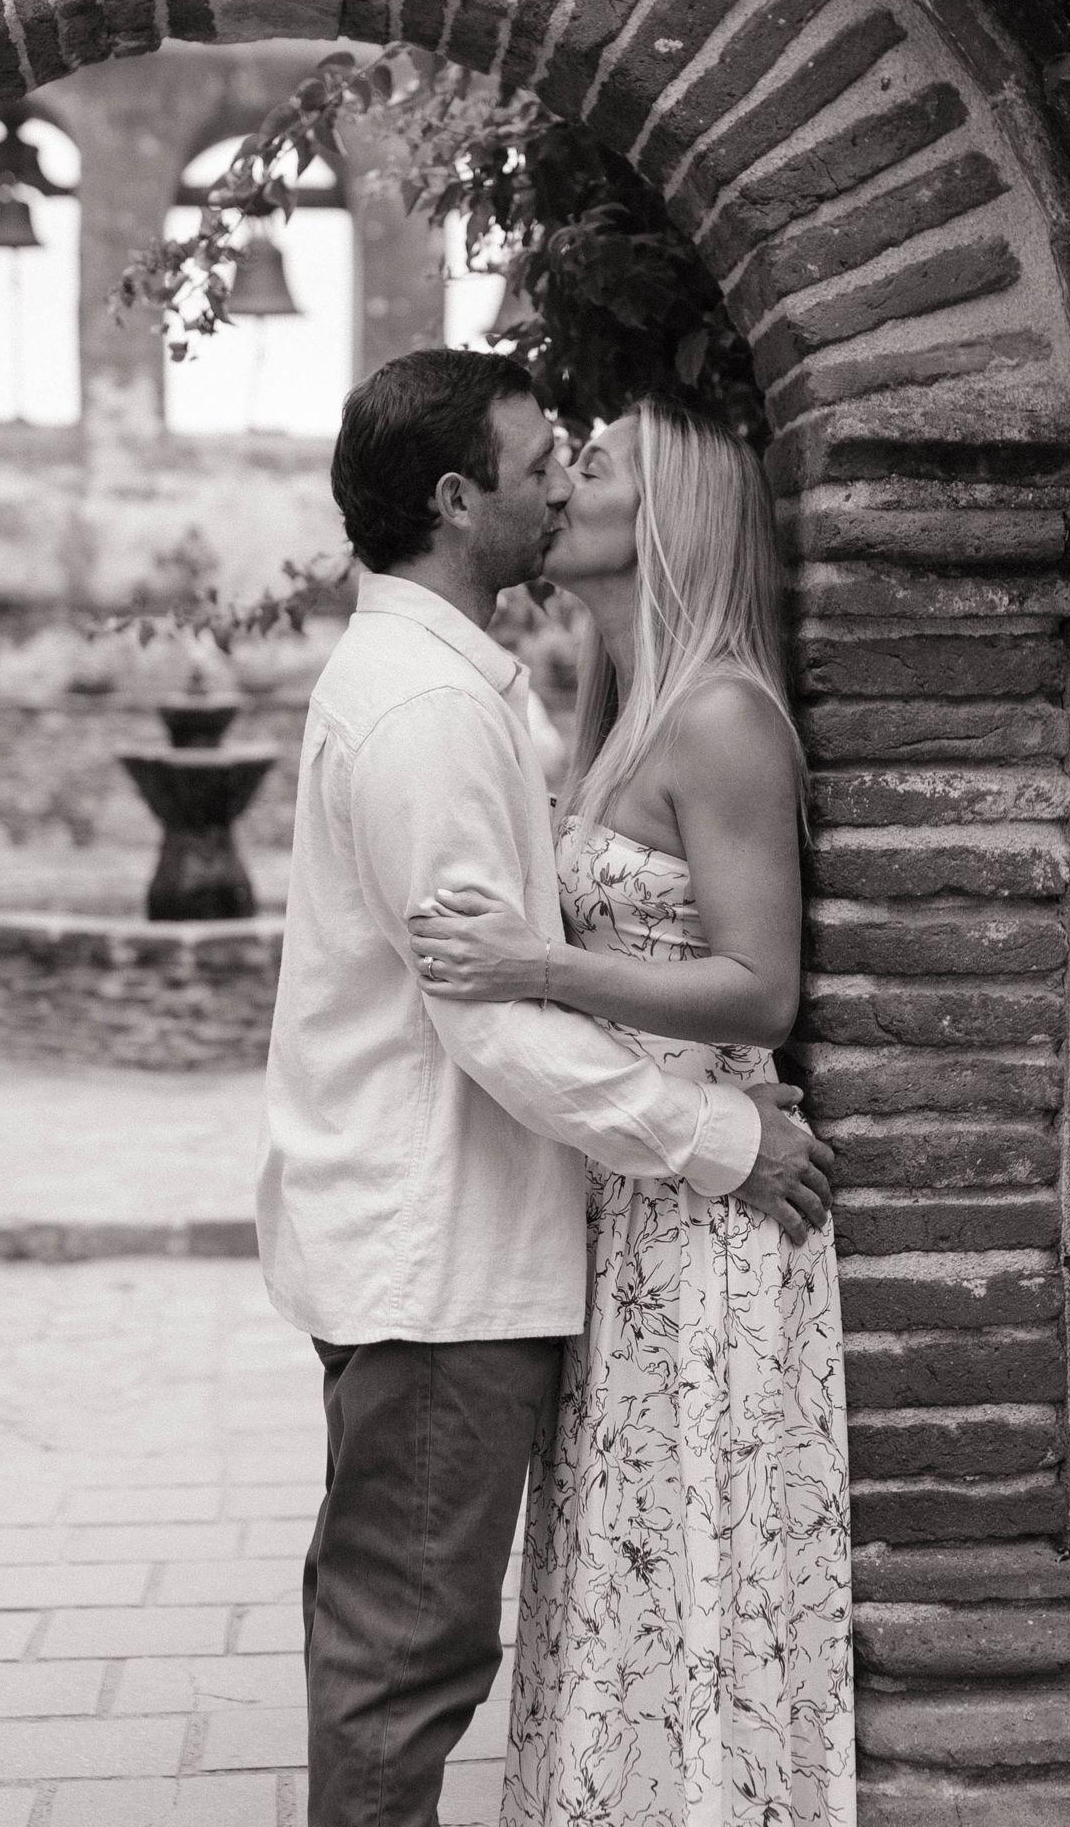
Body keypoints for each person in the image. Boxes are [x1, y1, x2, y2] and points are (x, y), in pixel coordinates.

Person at [258, 351, 838, 1827]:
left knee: (458, 1627)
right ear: (461, 501)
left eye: (589, 464)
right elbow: (491, 1021)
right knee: (407, 1645)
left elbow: (686, 979)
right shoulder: (435, 710)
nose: (563, 484)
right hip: (454, 1247)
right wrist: (716, 1138)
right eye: (542, 467)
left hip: (572, 1236)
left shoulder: (517, 697)